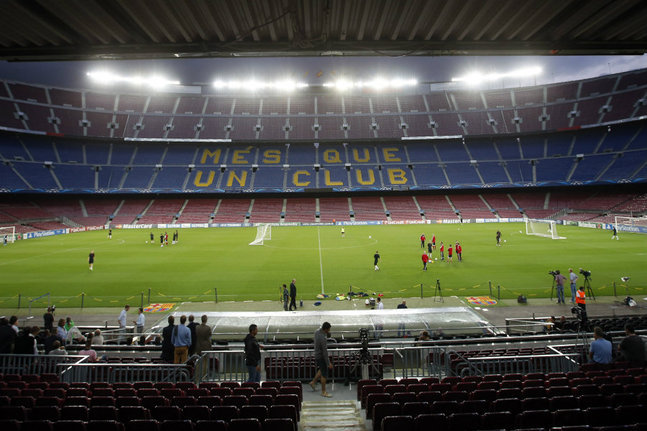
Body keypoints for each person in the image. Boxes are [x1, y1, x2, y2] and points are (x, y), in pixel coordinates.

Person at [309, 322, 333, 398]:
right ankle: (323, 392)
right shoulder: (323, 338)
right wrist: (328, 363)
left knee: (321, 369)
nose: (329, 330)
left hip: (316, 354)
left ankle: (313, 382)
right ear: (326, 329)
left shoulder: (316, 332)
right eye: (328, 329)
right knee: (324, 374)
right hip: (321, 357)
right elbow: (324, 352)